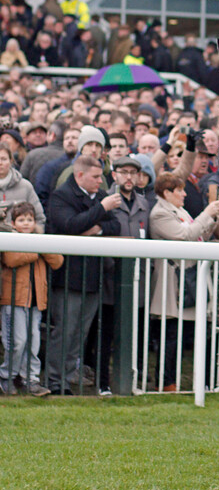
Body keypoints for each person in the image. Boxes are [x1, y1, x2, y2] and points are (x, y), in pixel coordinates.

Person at [46, 155, 122, 395]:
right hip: (67, 278)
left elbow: (115, 226)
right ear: (79, 175)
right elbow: (69, 225)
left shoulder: (99, 197)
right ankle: (54, 381)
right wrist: (101, 210)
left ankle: (67, 379)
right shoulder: (61, 196)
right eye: (96, 177)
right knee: (65, 331)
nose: (101, 181)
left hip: (92, 277)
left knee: (79, 334)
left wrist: (97, 228)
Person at [149, 172, 219, 391]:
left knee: (185, 336)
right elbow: (185, 236)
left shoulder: (177, 210)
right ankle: (167, 383)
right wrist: (206, 213)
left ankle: (198, 382)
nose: (184, 194)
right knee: (171, 338)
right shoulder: (159, 214)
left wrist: (212, 220)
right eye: (180, 190)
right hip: (171, 286)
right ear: (167, 193)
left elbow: (198, 236)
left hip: (186, 283)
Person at [0, 202, 63, 396]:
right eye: (21, 220)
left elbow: (58, 261)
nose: (26, 224)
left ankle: (31, 379)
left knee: (33, 342)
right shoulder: (10, 240)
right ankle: (6, 377)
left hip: (36, 301)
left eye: (30, 220)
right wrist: (37, 251)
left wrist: (40, 247)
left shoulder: (40, 241)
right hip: (14, 300)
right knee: (17, 342)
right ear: (13, 223)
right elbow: (11, 260)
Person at [0, 143, 46, 231]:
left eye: (4, 159)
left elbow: (40, 218)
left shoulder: (25, 186)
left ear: (11, 160)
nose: (0, 163)